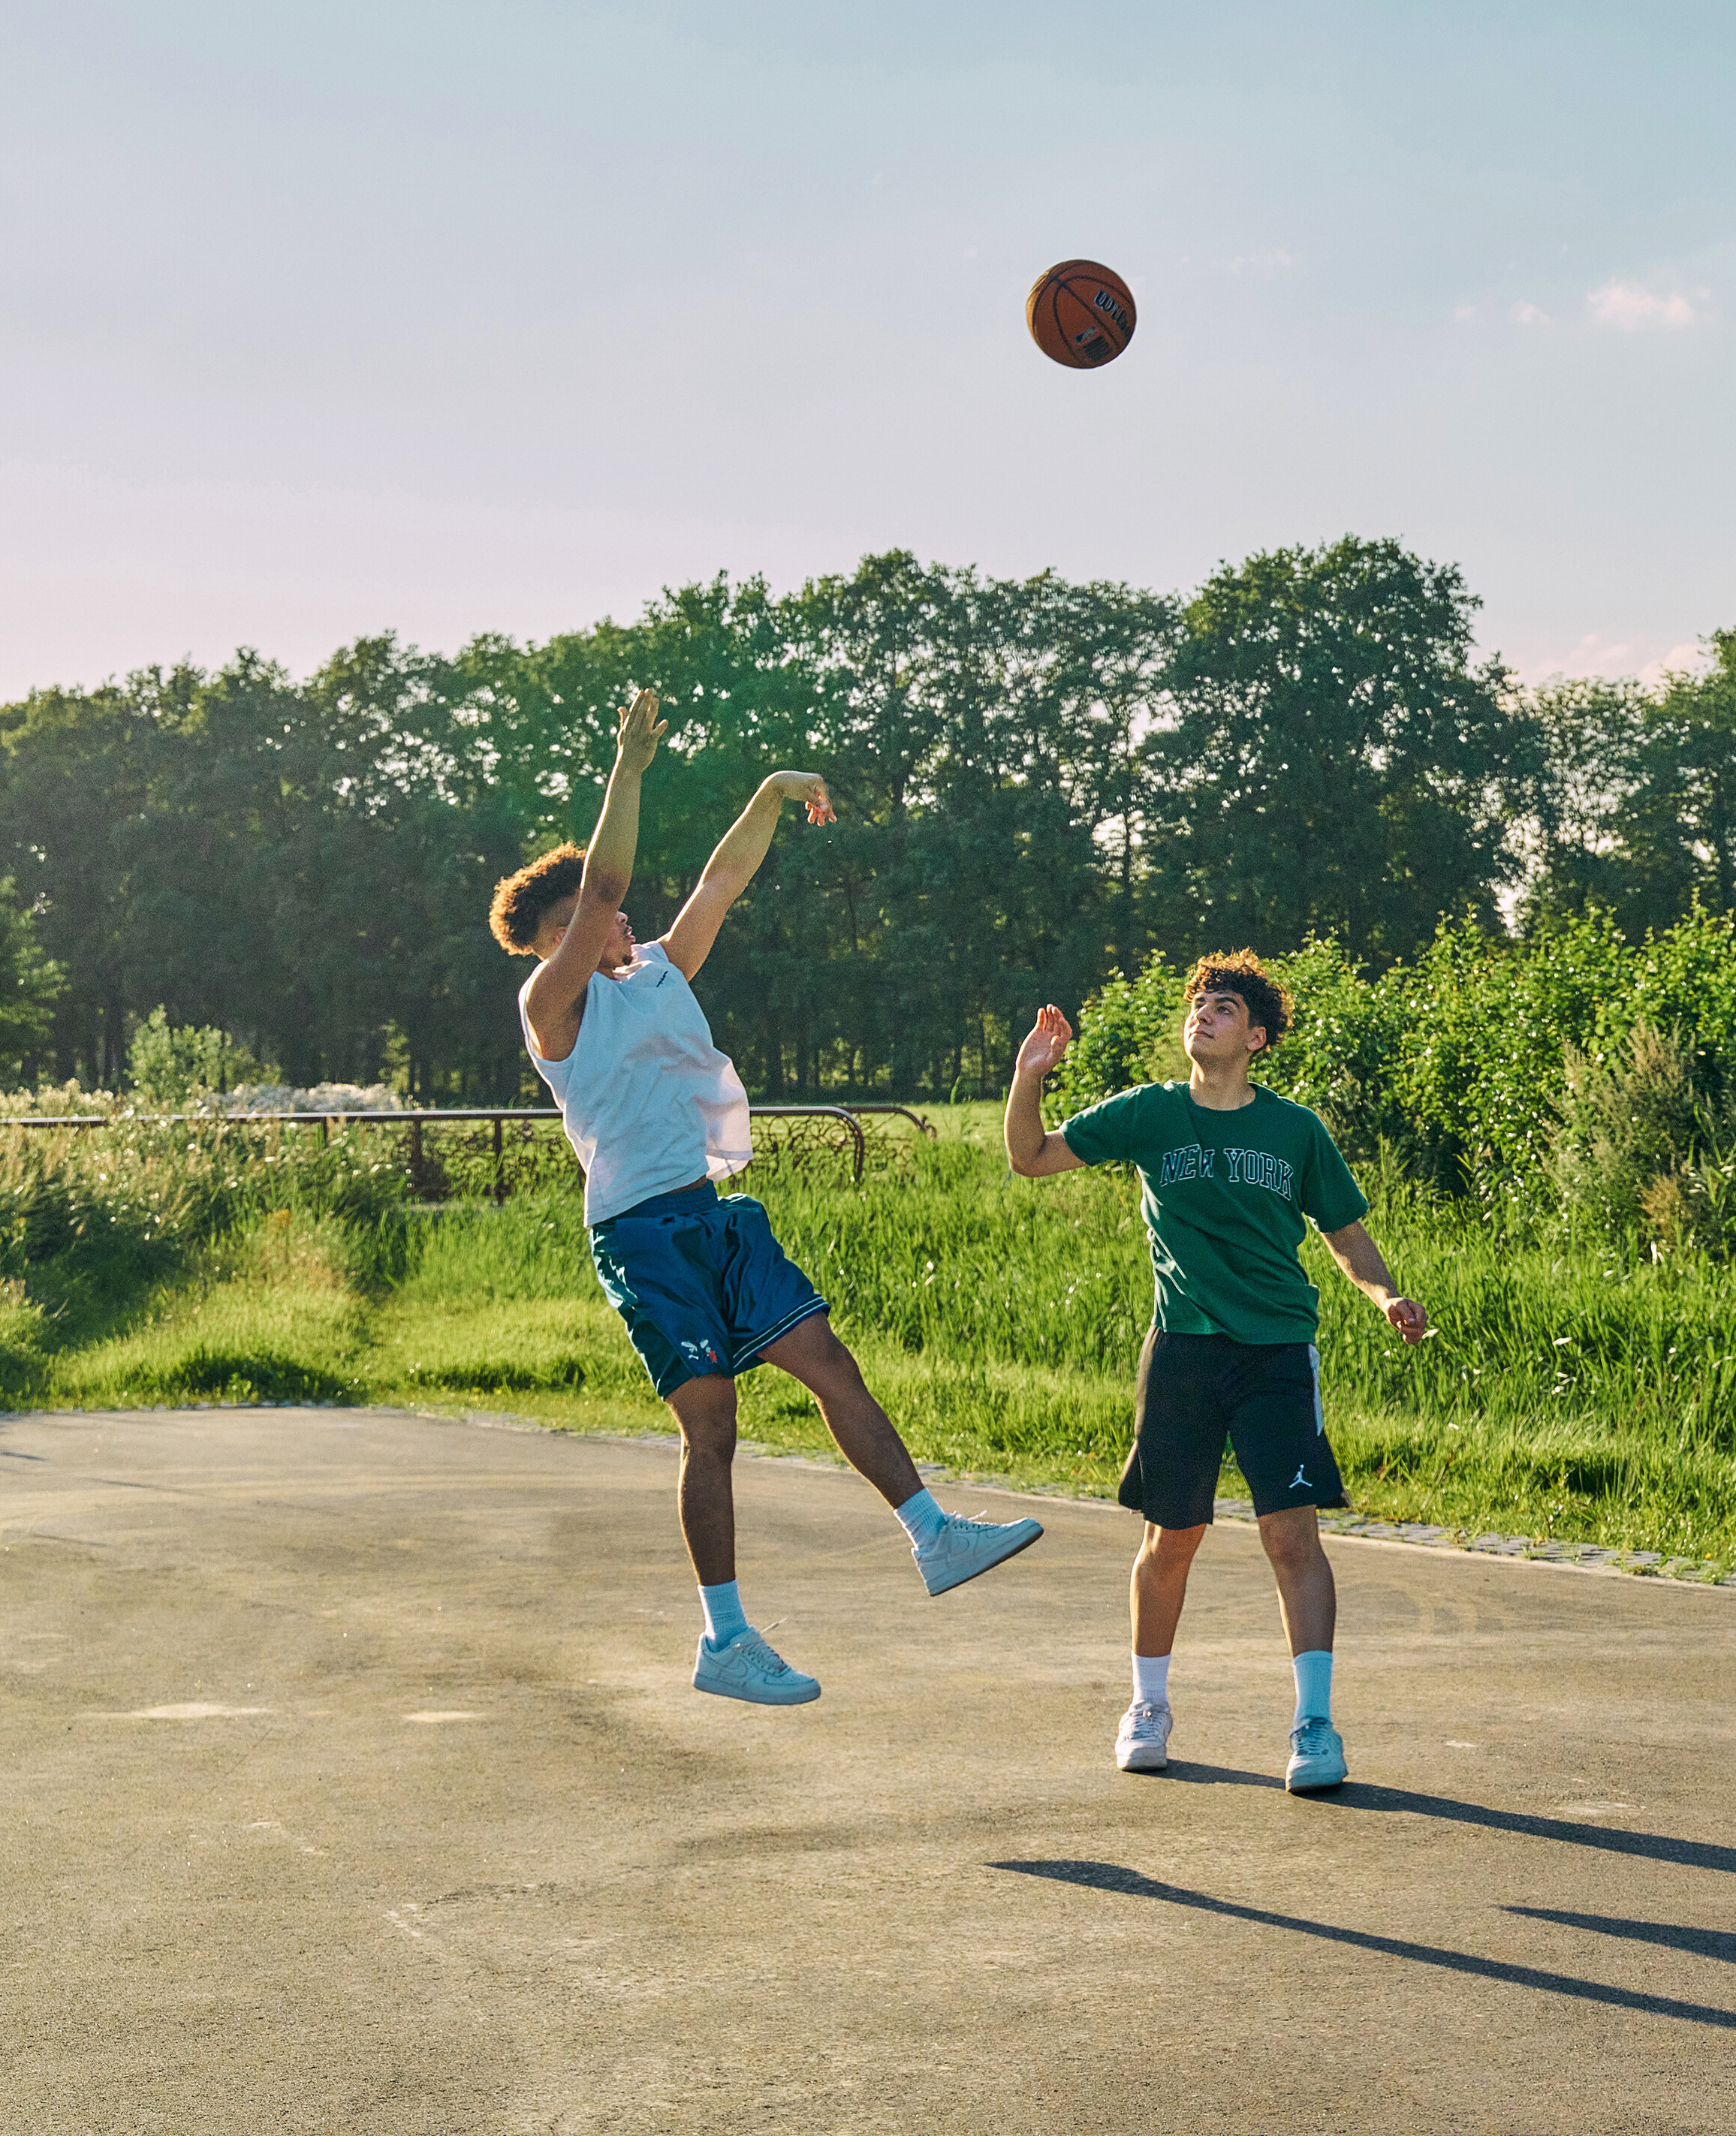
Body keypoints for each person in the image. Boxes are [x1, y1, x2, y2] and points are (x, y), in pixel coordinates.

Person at [490, 688, 1043, 1707]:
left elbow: (721, 880)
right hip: (640, 1234)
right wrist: (631, 763)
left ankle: (933, 1535)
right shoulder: (550, 1005)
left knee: (828, 1359)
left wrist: (773, 792)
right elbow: (611, 870)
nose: (603, 920)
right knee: (715, 1430)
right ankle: (726, 1639)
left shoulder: (659, 970)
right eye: (574, 922)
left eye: (602, 912)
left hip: (713, 1215)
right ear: (547, 945)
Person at [1005, 954, 1428, 1793]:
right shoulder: (1148, 1114)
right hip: (1184, 1351)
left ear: (1257, 1037)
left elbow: (1345, 1236)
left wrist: (1384, 1295)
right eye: (1198, 1004)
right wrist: (1029, 1079)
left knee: (1290, 1535)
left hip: (1275, 1351)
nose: (1204, 1014)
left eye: (1224, 1007)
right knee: (1172, 1537)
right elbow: (1030, 1157)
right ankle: (1148, 1708)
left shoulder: (1295, 1130)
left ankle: (1314, 1726)